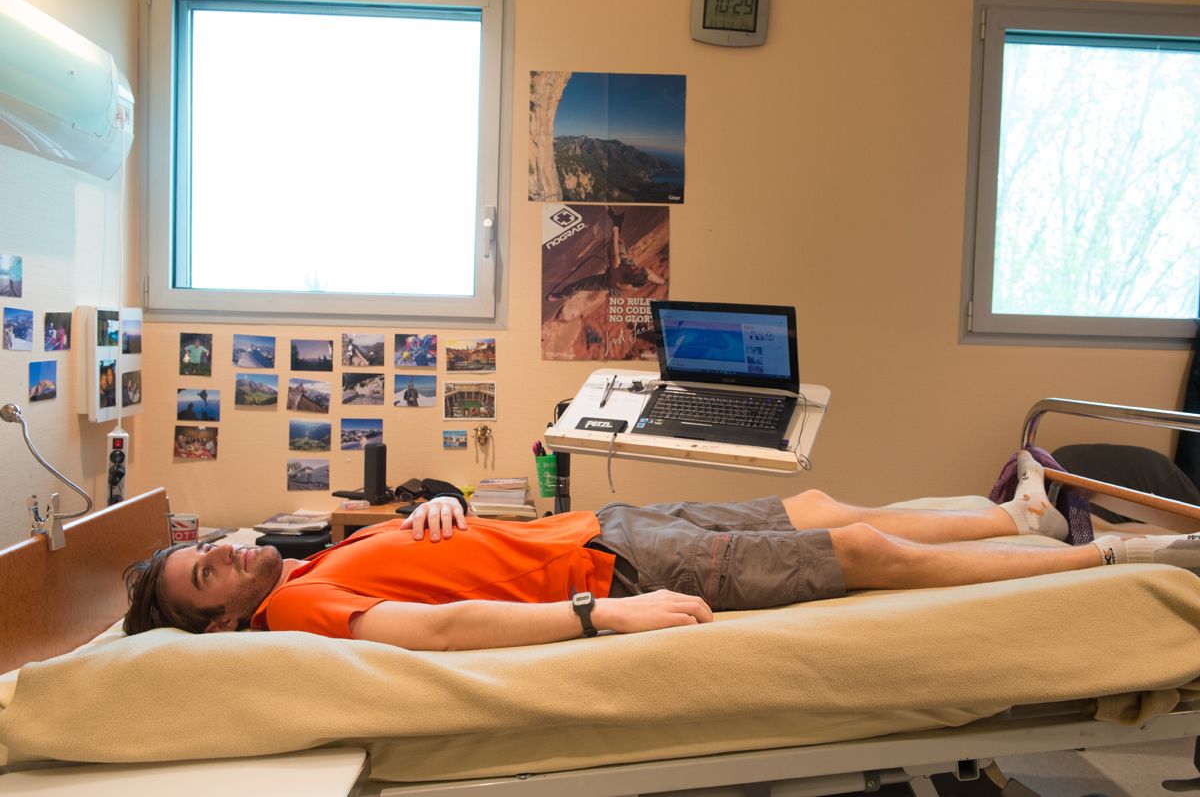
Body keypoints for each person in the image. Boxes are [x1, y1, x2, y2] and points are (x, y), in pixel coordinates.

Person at [122, 453, 1200, 651]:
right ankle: (1126, 559)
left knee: (817, 507)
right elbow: (441, 625)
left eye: (206, 548)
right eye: (206, 571)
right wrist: (598, 618)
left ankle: (1013, 517)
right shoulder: (292, 617)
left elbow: (425, 551)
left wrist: (436, 506)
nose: (221, 549)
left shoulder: (304, 565)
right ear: (219, 620)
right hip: (619, 575)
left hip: (608, 529)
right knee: (864, 549)